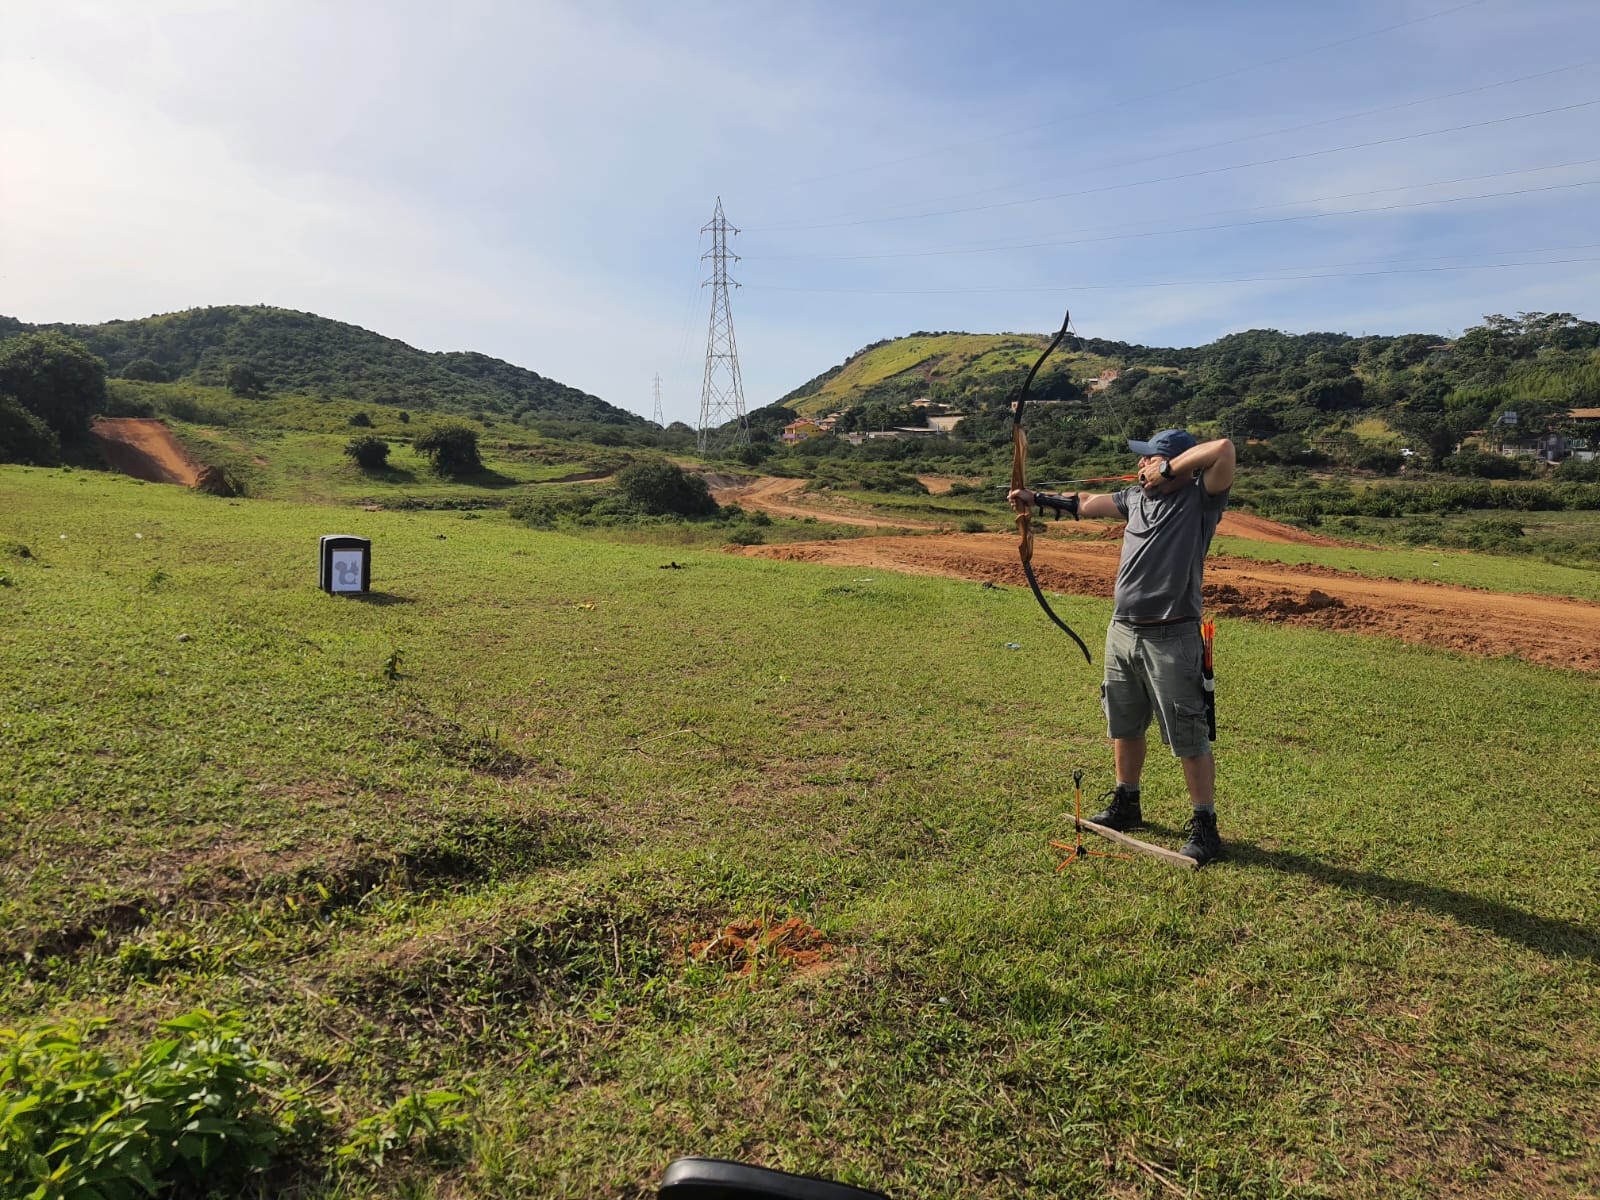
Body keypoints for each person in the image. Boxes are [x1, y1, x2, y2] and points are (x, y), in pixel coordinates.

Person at [1009, 429, 1236, 865]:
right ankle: (1126, 802)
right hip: (1122, 630)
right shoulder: (1135, 499)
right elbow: (1082, 504)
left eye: (1149, 459)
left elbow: (1223, 450)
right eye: (1142, 459)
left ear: (1171, 463)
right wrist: (1032, 498)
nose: (1140, 466)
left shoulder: (1199, 500)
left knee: (1188, 733)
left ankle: (1205, 826)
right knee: (1124, 721)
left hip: (1173, 633)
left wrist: (1172, 468)